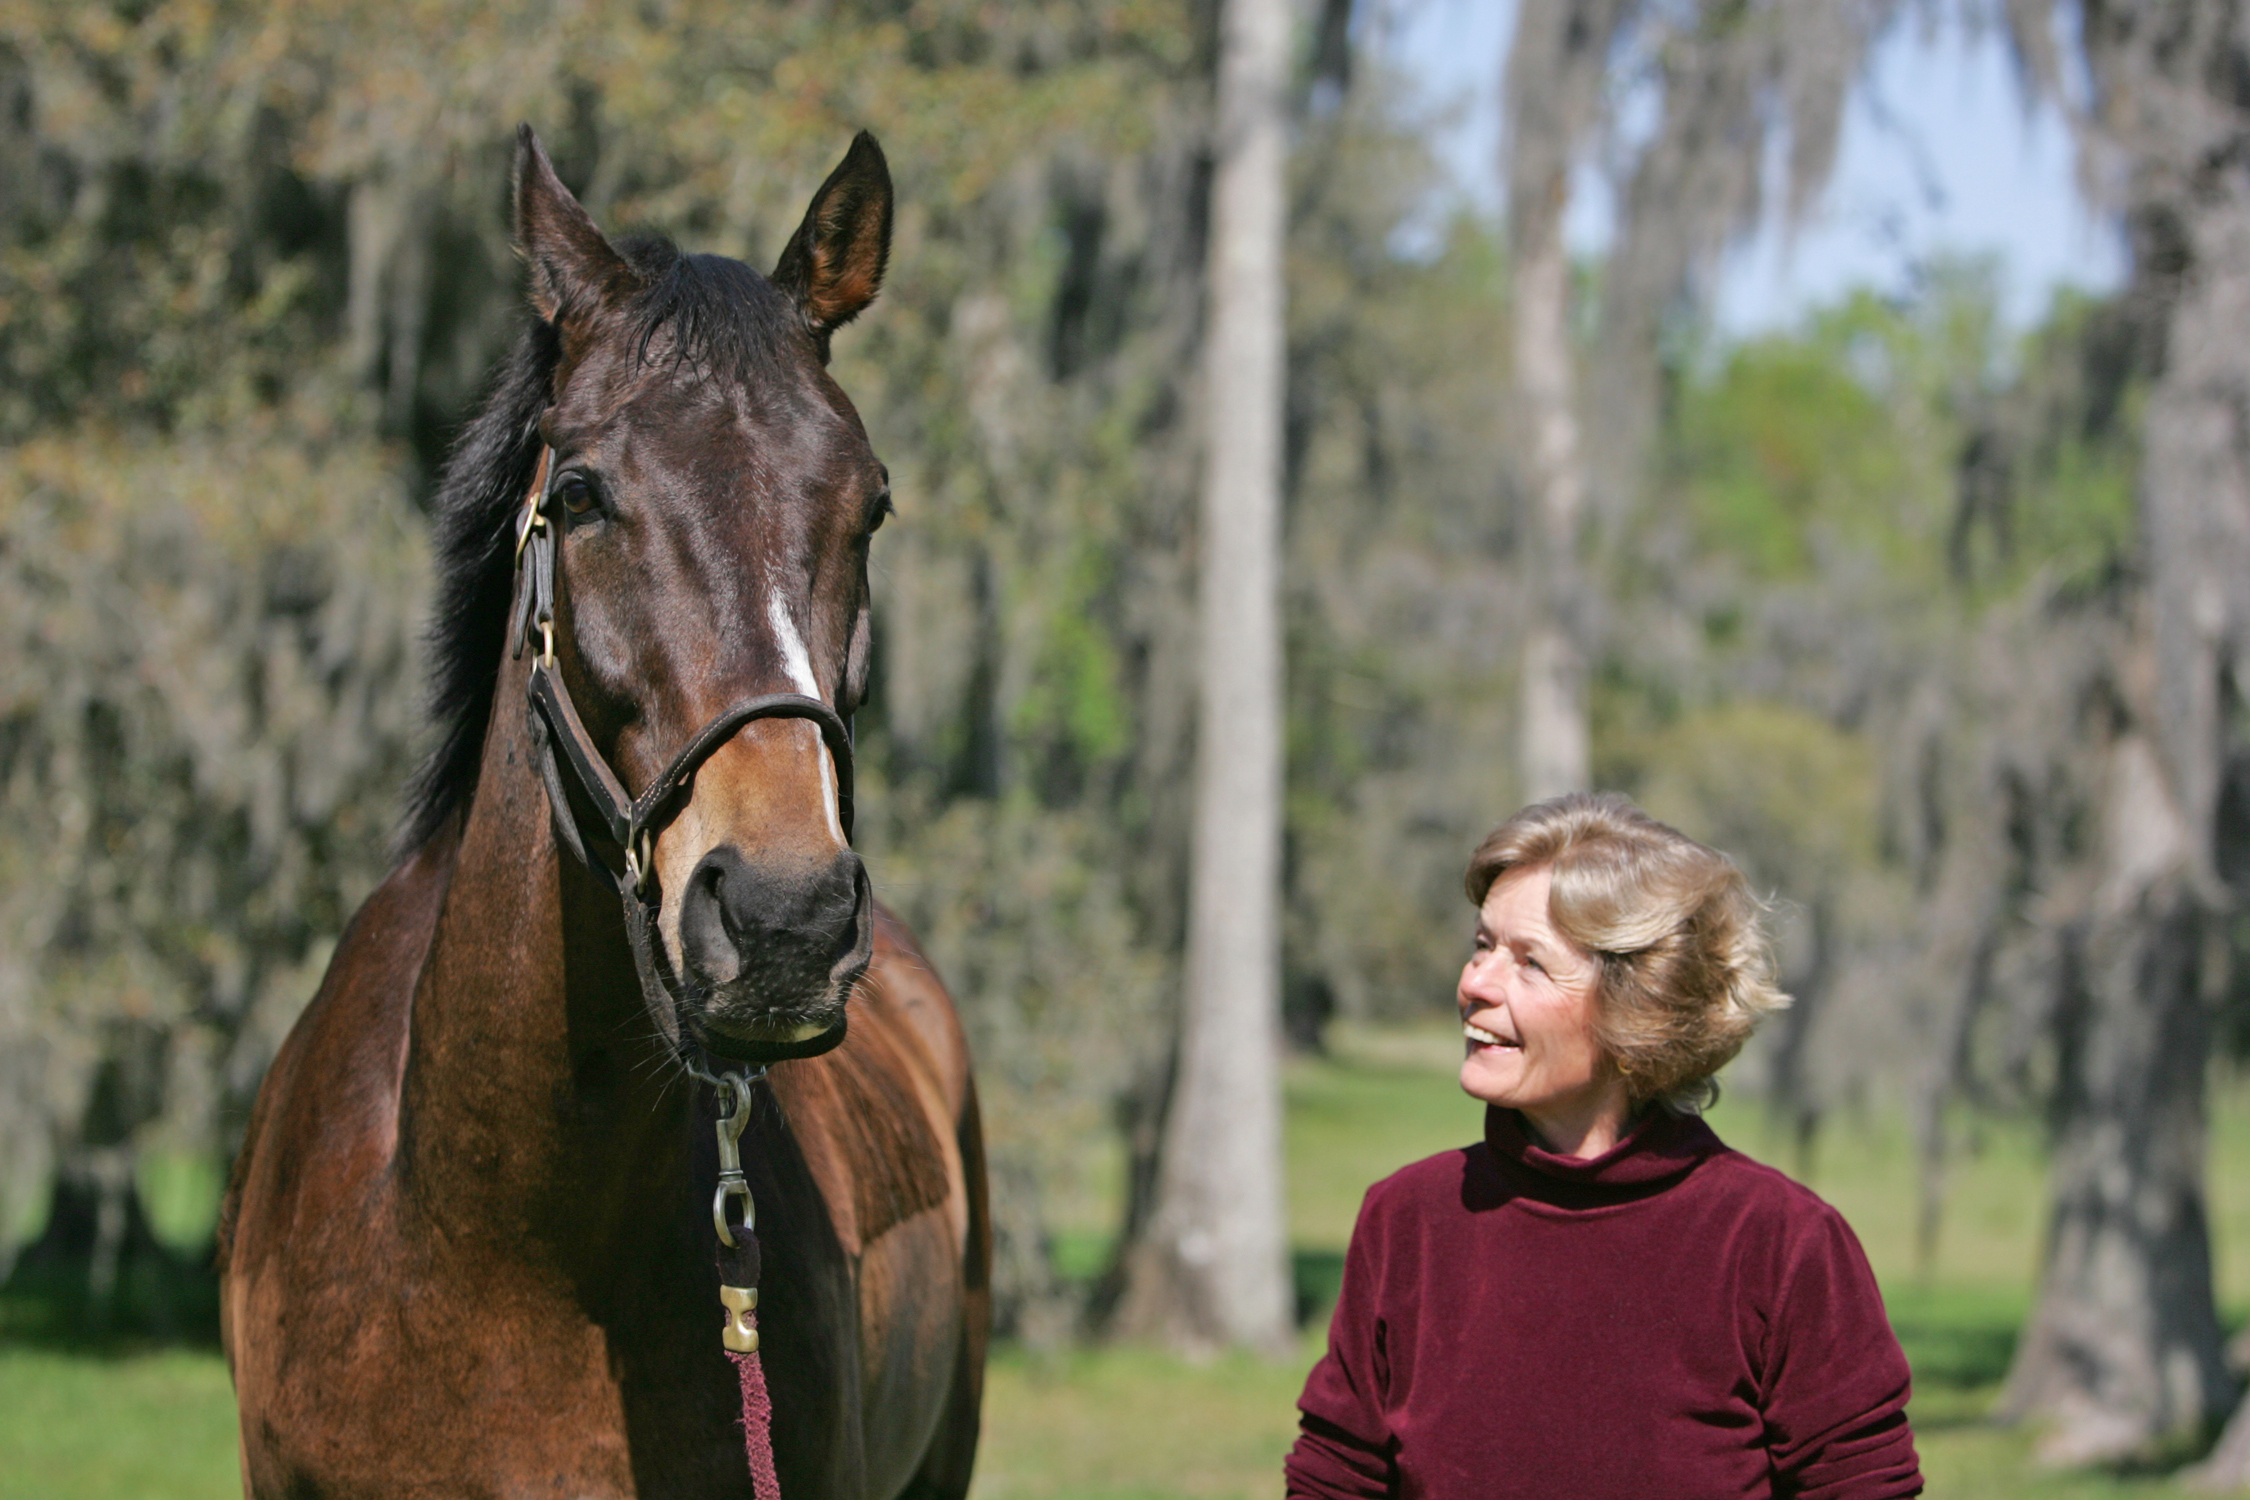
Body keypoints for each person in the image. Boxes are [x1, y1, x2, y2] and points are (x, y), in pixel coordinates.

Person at [1286, 792, 1922, 1500]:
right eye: (1482, 945)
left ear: (1638, 1006)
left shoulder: (1779, 1242)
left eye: (1529, 962)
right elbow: (1335, 1477)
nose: (1475, 984)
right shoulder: (1410, 1218)